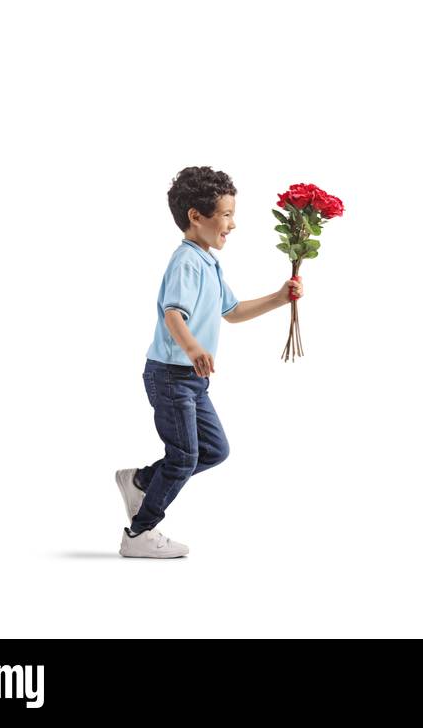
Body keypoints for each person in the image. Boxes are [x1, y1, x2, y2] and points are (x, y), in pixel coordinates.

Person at [117, 166, 304, 558]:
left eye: (232, 215)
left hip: (191, 379)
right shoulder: (186, 262)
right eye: (226, 215)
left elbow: (232, 311)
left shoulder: (208, 262)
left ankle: (141, 481)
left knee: (213, 450)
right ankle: (139, 532)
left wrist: (279, 297)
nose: (232, 224)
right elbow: (173, 315)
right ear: (195, 216)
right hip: (171, 375)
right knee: (185, 455)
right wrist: (194, 350)